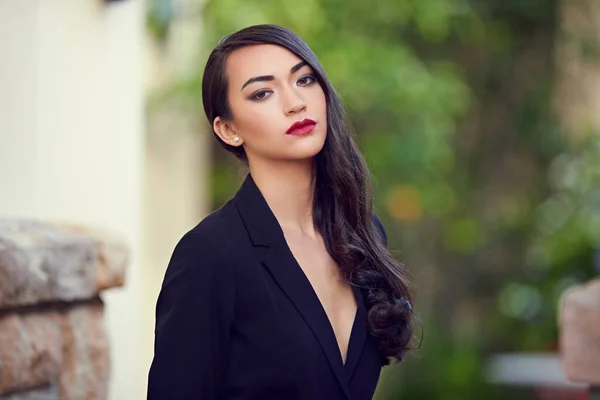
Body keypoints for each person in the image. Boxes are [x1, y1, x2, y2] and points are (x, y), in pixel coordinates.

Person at [147, 24, 415, 400]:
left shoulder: (363, 232)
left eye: (304, 80)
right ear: (228, 130)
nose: (295, 102)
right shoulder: (210, 255)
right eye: (263, 92)